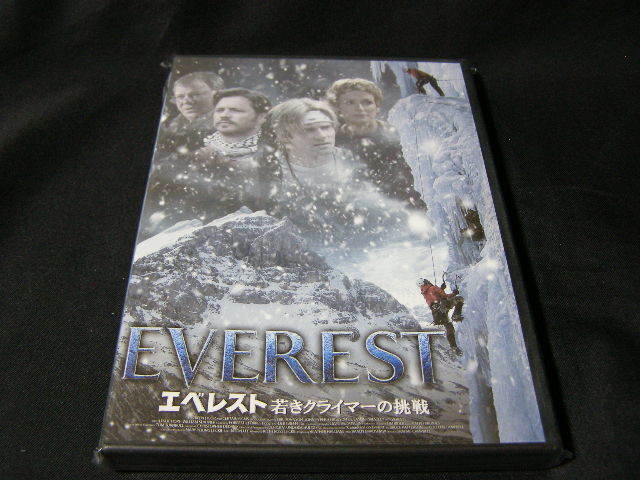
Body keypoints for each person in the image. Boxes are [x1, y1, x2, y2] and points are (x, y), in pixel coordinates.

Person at [140, 89, 278, 240]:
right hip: (176, 236)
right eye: (220, 110)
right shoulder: (187, 150)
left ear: (261, 117)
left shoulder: (274, 156)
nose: (224, 115)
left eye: (235, 110)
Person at [325, 78, 427, 210]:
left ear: (377, 107)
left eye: (367, 102)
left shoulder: (400, 136)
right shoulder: (329, 141)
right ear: (339, 108)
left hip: (402, 207)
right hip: (350, 208)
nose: (359, 108)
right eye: (350, 102)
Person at [159, 71, 224, 152]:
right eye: (180, 96)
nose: (186, 101)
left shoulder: (226, 126)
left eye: (195, 95)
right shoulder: (170, 126)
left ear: (216, 95)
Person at [420, 279, 464, 355]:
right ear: (426, 282)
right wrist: (454, 293)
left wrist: (441, 289)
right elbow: (445, 296)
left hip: (436, 314)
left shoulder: (424, 293)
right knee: (459, 299)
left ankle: (454, 347)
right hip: (443, 306)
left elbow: (434, 297)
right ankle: (456, 315)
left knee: (449, 328)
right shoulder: (433, 288)